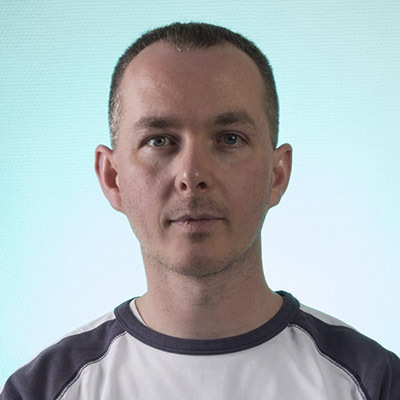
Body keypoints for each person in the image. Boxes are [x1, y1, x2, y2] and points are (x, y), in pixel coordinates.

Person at [1, 22, 399, 400]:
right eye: (159, 141)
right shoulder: (43, 390)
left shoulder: (374, 383)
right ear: (112, 177)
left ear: (277, 175)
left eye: (230, 138)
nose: (192, 175)